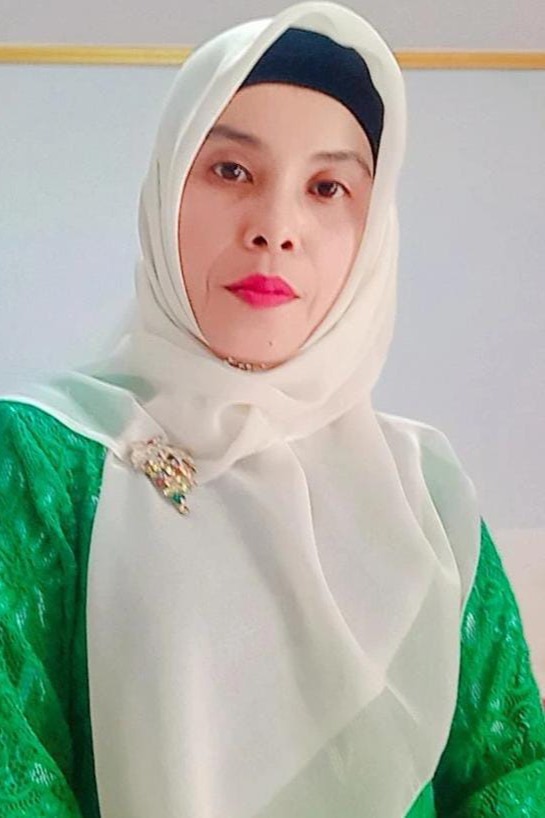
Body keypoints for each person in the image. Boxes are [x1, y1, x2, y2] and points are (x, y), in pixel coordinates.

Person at [0, 3, 544, 817]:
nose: (275, 228)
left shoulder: (423, 490)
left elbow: (511, 771)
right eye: (230, 171)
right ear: (164, 192)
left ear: (373, 229)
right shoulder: (42, 458)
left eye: (327, 188)